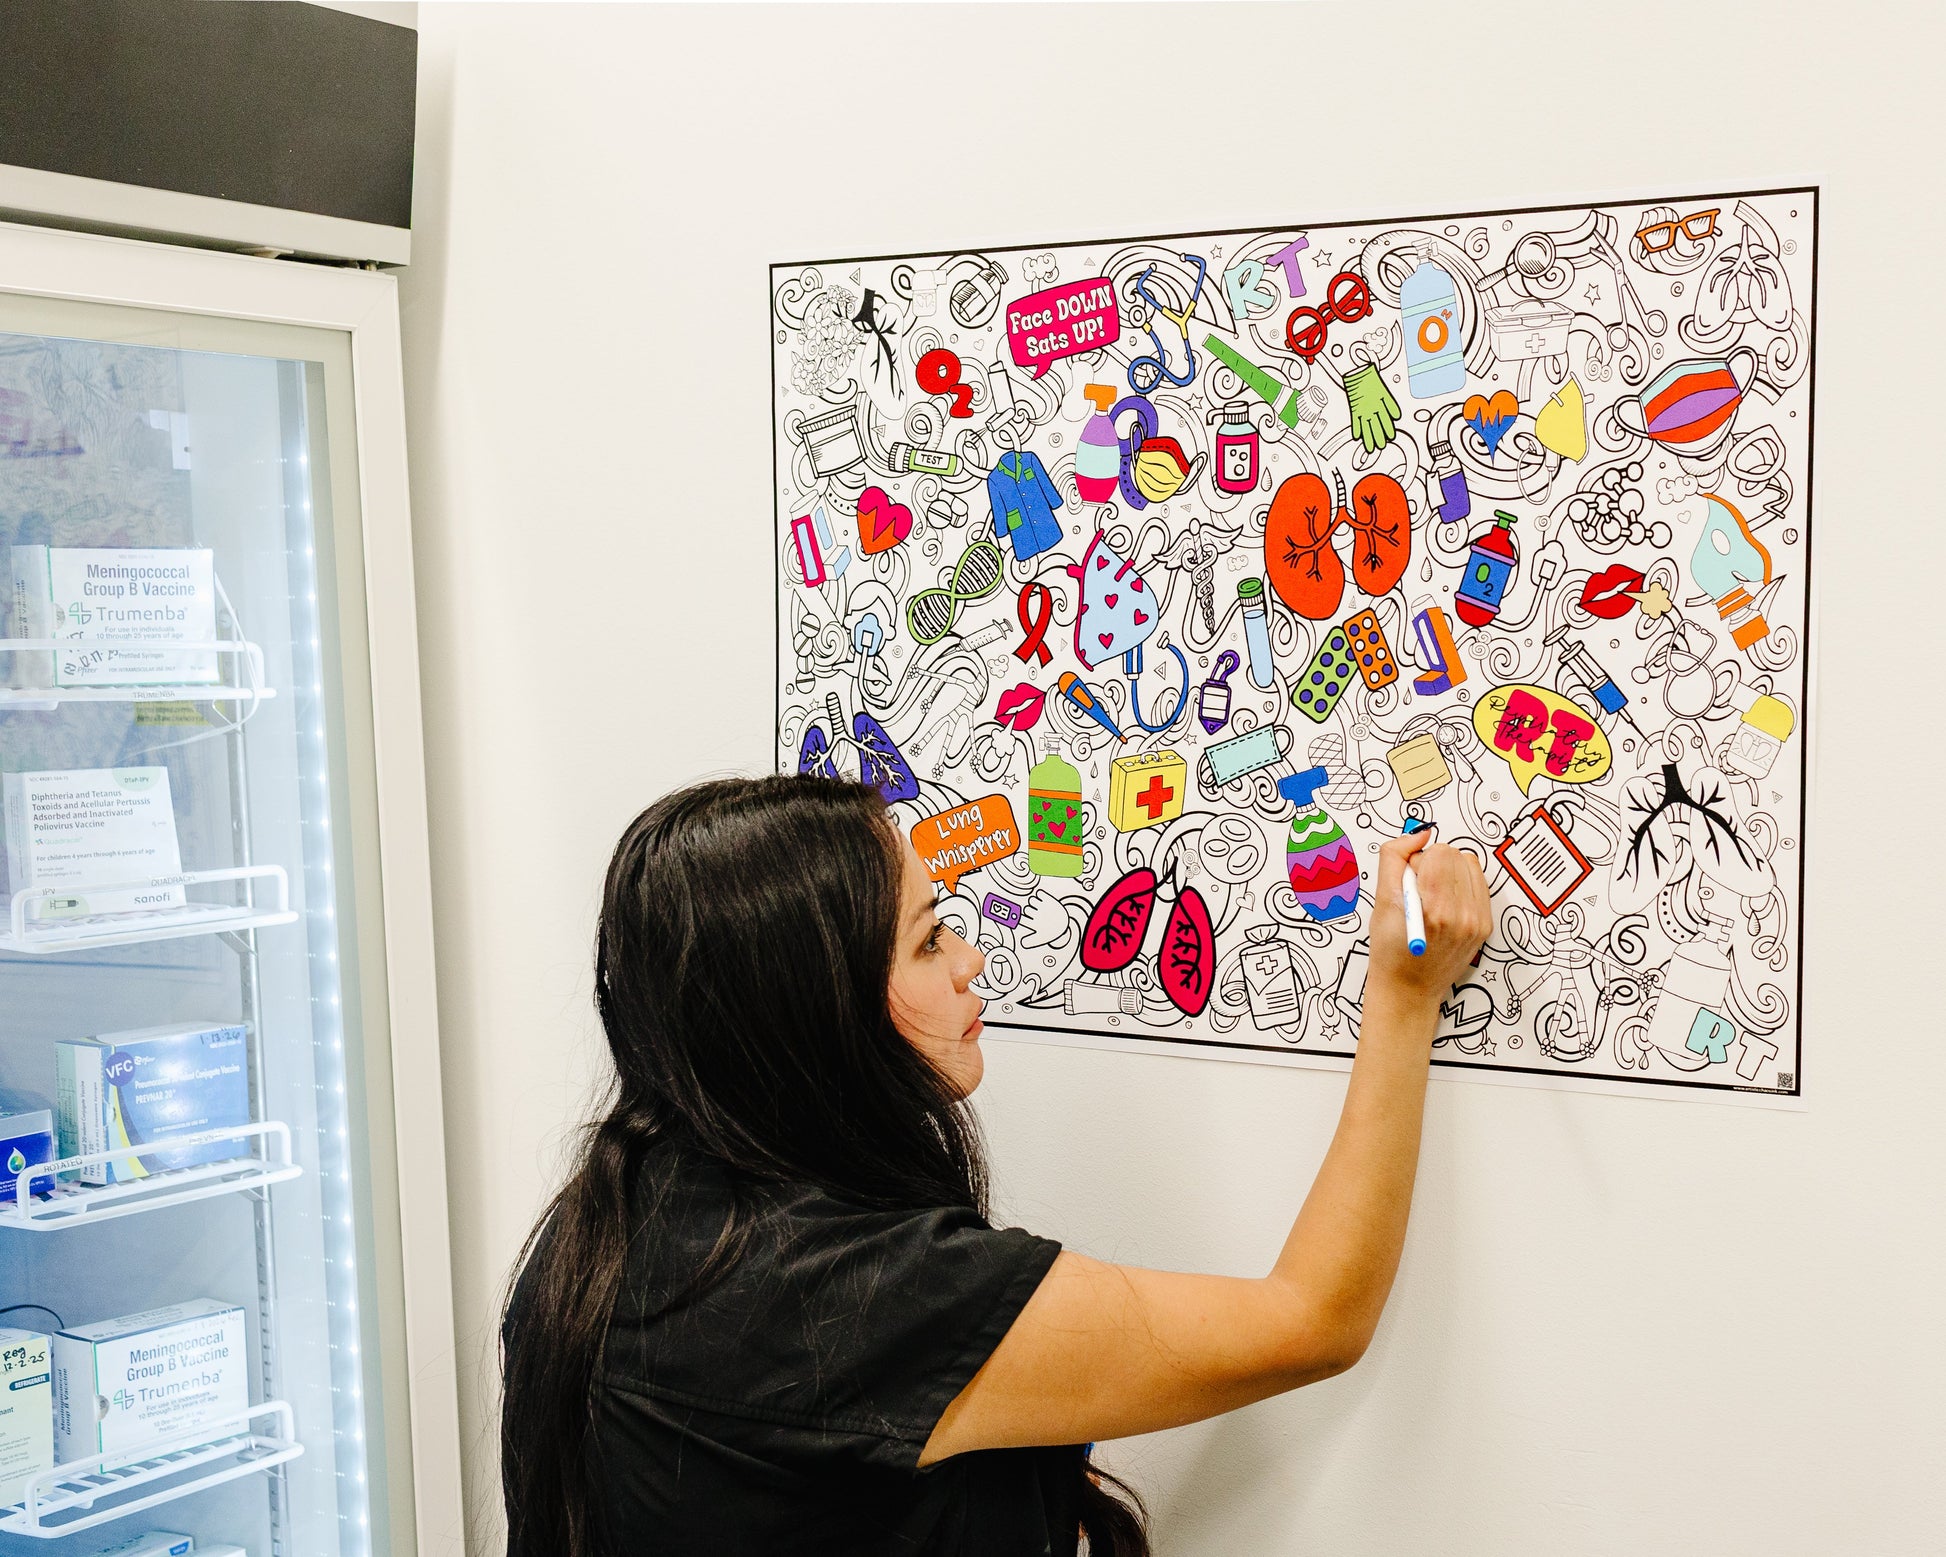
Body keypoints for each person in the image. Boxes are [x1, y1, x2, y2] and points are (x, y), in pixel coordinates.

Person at [500, 774, 1491, 1557]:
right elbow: (1312, 1319)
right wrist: (1403, 998)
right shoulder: (865, 1297)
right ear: (818, 1010)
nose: (969, 960)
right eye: (929, 940)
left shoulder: (609, 1219)